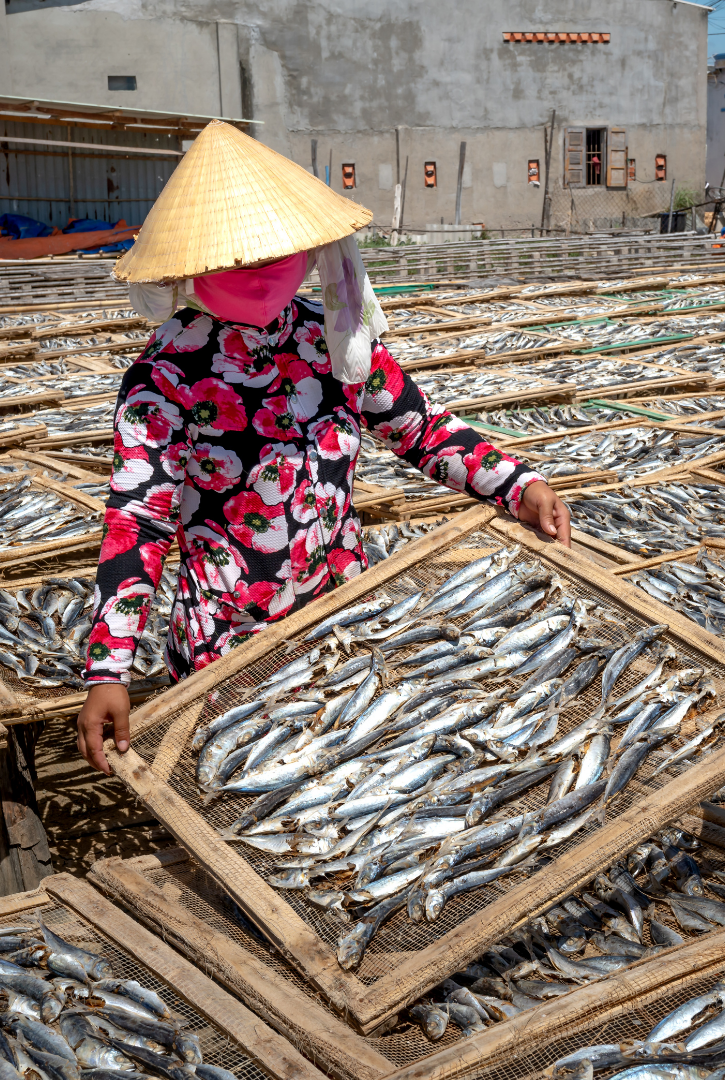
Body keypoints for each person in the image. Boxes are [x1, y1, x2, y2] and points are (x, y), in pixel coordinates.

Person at [74, 121, 573, 772]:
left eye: (267, 251)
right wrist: (109, 667)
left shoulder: (335, 340)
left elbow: (420, 428)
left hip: (344, 617)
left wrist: (517, 484)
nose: (253, 270)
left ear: (304, 247)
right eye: (234, 256)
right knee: (260, 805)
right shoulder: (165, 376)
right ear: (196, 263)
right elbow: (138, 519)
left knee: (357, 783)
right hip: (228, 648)